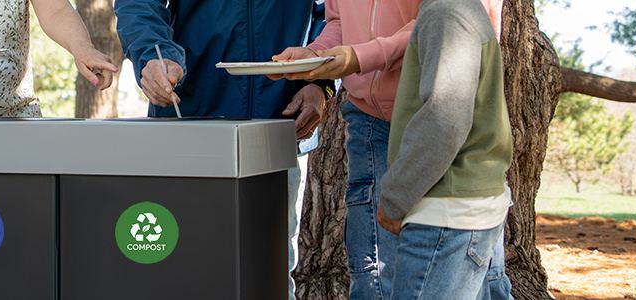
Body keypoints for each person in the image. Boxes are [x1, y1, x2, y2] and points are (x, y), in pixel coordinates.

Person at [267, 0, 501, 298]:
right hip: (370, 123)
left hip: (438, 126)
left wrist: (361, 56)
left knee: (460, 272)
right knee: (375, 280)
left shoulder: (450, 15)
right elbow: (339, 21)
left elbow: (446, 23)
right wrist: (317, 55)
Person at [114, 0, 325, 298]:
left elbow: (332, 13)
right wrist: (151, 55)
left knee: (268, 277)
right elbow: (138, 3)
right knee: (178, 270)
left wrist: (321, 82)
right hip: (189, 124)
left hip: (275, 131)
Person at [373, 0, 513, 298]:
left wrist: (395, 196)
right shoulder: (456, 8)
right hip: (459, 213)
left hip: (445, 216)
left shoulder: (447, 12)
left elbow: (444, 120)